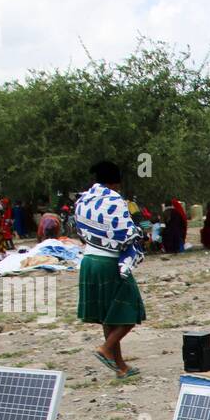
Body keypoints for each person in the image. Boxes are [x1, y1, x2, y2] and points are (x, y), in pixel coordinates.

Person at [74, 160, 145, 380]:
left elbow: (80, 229)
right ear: (116, 182)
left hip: (88, 260)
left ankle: (121, 367)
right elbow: (125, 233)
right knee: (131, 311)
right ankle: (105, 348)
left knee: (108, 317)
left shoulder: (84, 199)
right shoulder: (114, 200)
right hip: (109, 263)